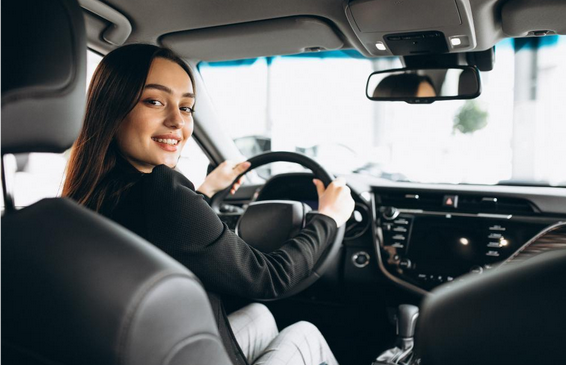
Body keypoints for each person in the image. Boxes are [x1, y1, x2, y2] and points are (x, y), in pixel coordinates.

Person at [63, 44, 355, 365]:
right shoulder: (166, 193)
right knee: (305, 335)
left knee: (260, 315)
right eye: (155, 101)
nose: (177, 121)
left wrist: (205, 190)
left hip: (147, 351)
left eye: (186, 108)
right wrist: (328, 218)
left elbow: (170, 231)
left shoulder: (87, 195)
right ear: (112, 108)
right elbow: (270, 278)